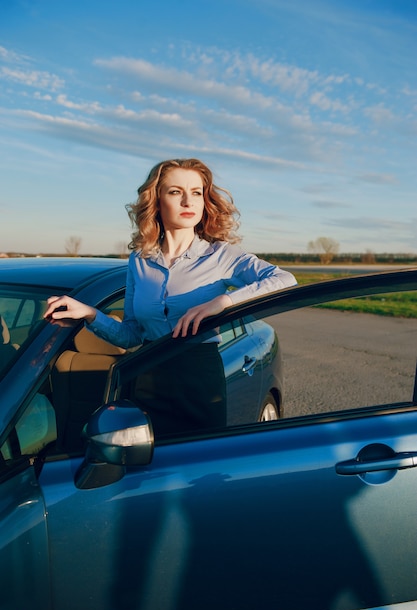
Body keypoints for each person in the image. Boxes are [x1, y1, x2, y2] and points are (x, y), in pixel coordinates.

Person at [44, 158, 297, 435]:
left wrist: (223, 303)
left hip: (199, 380)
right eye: (176, 192)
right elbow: (131, 335)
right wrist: (90, 314)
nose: (188, 201)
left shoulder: (221, 255)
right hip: (147, 378)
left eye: (196, 193)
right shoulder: (139, 260)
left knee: (198, 467)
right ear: (156, 200)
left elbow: (285, 280)